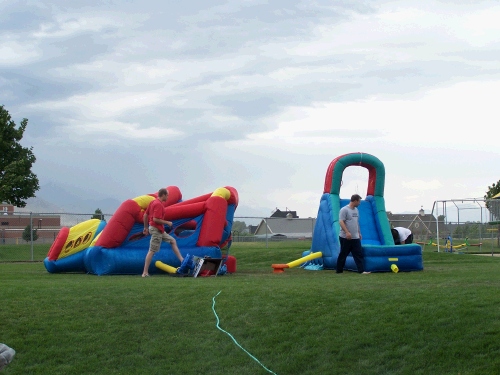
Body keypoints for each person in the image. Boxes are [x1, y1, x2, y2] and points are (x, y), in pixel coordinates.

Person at [142, 188, 184, 277]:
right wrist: (167, 222)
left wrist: (146, 227)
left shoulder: (153, 202)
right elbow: (155, 219)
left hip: (158, 229)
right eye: (167, 195)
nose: (168, 197)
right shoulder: (158, 204)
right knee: (152, 250)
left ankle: (182, 260)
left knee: (172, 241)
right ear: (163, 195)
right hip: (156, 229)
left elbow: (145, 215)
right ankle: (145, 272)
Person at [336, 194, 370, 274]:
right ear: (355, 201)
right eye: (359, 201)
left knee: (358, 254)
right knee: (343, 254)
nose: (359, 203)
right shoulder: (344, 210)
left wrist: (359, 232)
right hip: (345, 237)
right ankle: (339, 270)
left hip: (355, 237)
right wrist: (347, 232)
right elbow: (341, 221)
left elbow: (356, 222)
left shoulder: (356, 210)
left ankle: (361, 271)